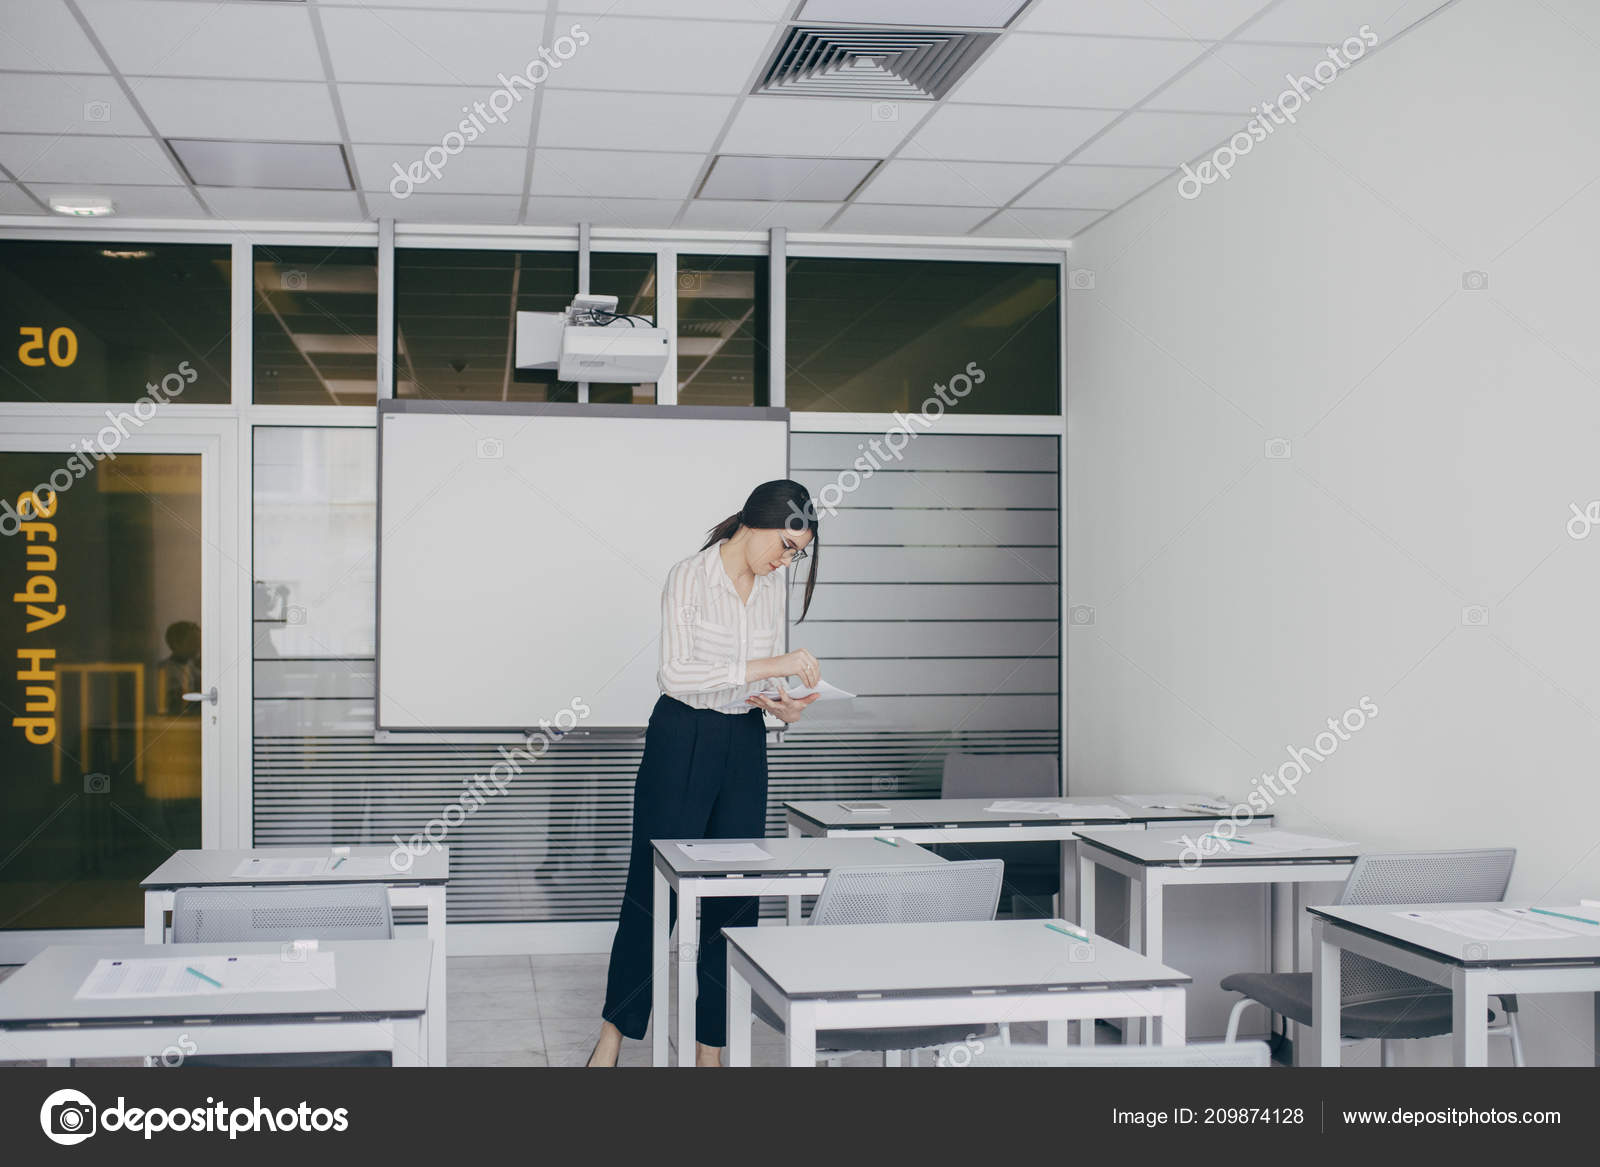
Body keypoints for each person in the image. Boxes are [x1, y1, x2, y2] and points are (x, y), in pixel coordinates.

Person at [589, 479, 822, 1067]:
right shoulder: (689, 576)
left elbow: (757, 681)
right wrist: (773, 664)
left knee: (735, 896)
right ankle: (611, 1042)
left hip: (743, 741)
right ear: (759, 521)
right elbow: (678, 675)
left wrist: (782, 707)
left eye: (796, 555)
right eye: (786, 546)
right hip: (681, 738)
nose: (786, 560)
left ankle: (709, 1052)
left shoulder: (768, 589)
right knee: (652, 894)